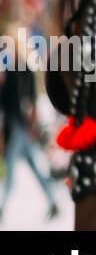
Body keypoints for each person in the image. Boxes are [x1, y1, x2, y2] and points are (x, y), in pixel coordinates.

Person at [0, 37, 61, 223]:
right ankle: (53, 202)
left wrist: (33, 121)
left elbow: (31, 98)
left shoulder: (24, 70)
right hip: (17, 125)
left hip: (20, 126)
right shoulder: (9, 71)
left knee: (10, 168)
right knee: (34, 167)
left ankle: (1, 208)